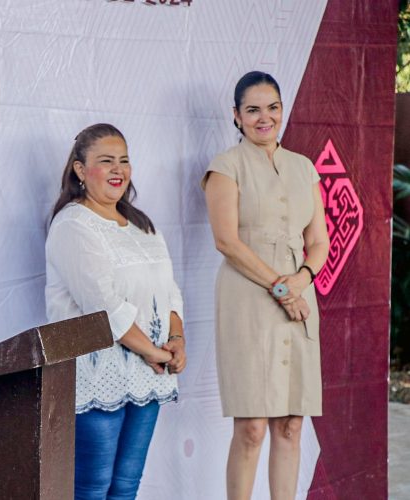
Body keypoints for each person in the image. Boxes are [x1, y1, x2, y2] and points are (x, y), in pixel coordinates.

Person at [201, 71, 330, 500]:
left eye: (272, 107)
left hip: (299, 296)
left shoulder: (304, 167)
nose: (264, 118)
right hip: (249, 297)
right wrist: (280, 287)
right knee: (253, 426)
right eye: (252, 110)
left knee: (291, 424)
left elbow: (318, 242)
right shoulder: (225, 166)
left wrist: (301, 281)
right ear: (236, 116)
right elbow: (227, 241)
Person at [45, 123, 186, 500]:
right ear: (79, 169)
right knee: (91, 487)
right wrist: (155, 352)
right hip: (97, 374)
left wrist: (175, 340)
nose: (118, 170)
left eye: (123, 161)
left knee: (126, 486)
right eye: (105, 161)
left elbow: (169, 291)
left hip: (149, 372)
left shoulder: (142, 225)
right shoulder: (73, 225)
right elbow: (103, 307)